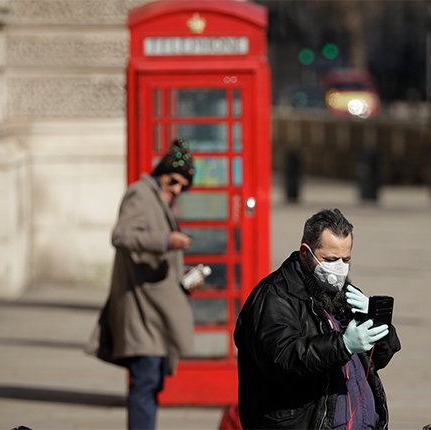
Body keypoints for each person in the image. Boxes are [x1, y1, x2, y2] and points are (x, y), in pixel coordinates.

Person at [234, 208, 401, 430]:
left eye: (346, 259)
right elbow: (281, 359)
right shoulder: (274, 296)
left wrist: (379, 326)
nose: (339, 268)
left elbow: (377, 360)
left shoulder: (345, 292)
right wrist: (343, 345)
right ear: (305, 252)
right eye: (330, 259)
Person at [92, 138, 201, 430]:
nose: (177, 190)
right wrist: (166, 240)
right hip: (141, 311)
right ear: (163, 171)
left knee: (151, 383)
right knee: (145, 383)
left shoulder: (159, 198)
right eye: (175, 181)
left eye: (183, 187)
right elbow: (121, 236)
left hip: (155, 311)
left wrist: (185, 279)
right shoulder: (141, 193)